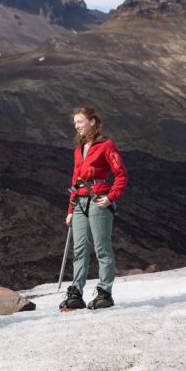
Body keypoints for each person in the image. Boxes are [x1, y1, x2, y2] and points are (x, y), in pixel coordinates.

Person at [59, 107, 128, 311]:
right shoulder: (78, 150)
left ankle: (104, 292)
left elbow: (121, 174)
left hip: (98, 201)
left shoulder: (107, 145)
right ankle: (76, 294)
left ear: (92, 122)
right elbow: (75, 180)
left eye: (80, 122)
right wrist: (70, 209)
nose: (77, 126)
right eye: (75, 123)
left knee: (102, 248)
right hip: (79, 203)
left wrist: (110, 197)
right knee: (79, 250)